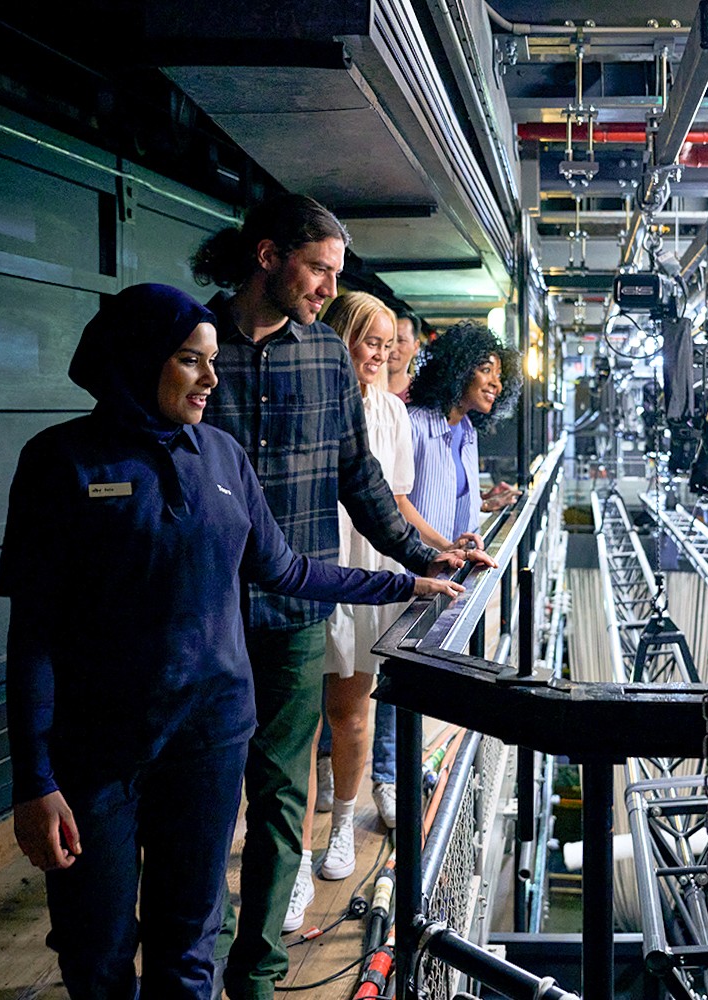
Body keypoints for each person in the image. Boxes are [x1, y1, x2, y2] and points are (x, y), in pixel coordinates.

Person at [0, 284, 462, 1000]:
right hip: (97, 752)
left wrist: (407, 582)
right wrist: (34, 782)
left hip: (207, 740)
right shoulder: (59, 463)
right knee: (97, 950)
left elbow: (285, 568)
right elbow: (32, 634)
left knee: (190, 944)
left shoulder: (221, 456)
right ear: (137, 359)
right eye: (190, 360)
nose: (212, 379)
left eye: (213, 361)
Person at [188, 194, 490, 997]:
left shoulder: (322, 356)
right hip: (199, 611)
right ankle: (196, 962)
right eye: (317, 267)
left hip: (291, 609)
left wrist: (425, 556)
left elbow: (361, 481)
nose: (327, 286)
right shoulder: (195, 342)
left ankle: (254, 975)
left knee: (283, 792)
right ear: (267, 256)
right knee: (200, 793)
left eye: (334, 272)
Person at [311, 294, 476, 876]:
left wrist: (439, 552)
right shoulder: (309, 399)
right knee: (293, 720)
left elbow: (396, 502)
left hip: (367, 564)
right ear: (340, 339)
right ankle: (288, 853)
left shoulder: (390, 413)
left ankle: (339, 835)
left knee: (352, 709)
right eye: (371, 342)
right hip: (307, 563)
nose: (382, 354)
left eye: (389, 344)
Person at [405, 321, 525, 551]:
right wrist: (445, 547)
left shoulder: (467, 430)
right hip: (413, 575)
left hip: (450, 576)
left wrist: (482, 502)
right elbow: (392, 504)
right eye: (486, 370)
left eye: (499, 375)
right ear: (458, 370)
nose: (496, 385)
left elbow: (445, 497)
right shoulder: (412, 425)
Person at [385, 309, 421, 400]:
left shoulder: (420, 394)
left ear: (416, 347)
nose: (392, 348)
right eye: (388, 340)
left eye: (401, 340)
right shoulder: (362, 390)